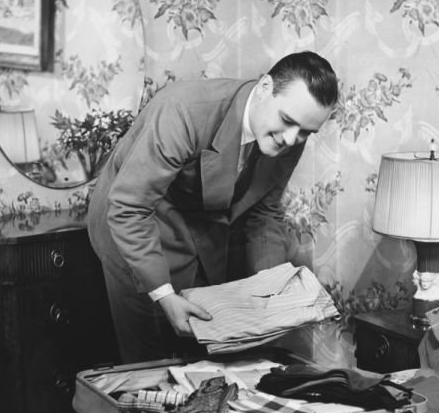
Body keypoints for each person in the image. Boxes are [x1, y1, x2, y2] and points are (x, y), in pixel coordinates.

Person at [87, 51, 339, 364]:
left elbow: (263, 214)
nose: (291, 139)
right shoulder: (182, 110)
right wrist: (164, 295)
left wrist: (273, 292)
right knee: (149, 359)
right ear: (263, 88)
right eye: (287, 121)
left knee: (205, 351)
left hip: (194, 225)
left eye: (305, 132)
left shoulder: (291, 134)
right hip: (129, 223)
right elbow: (130, 208)